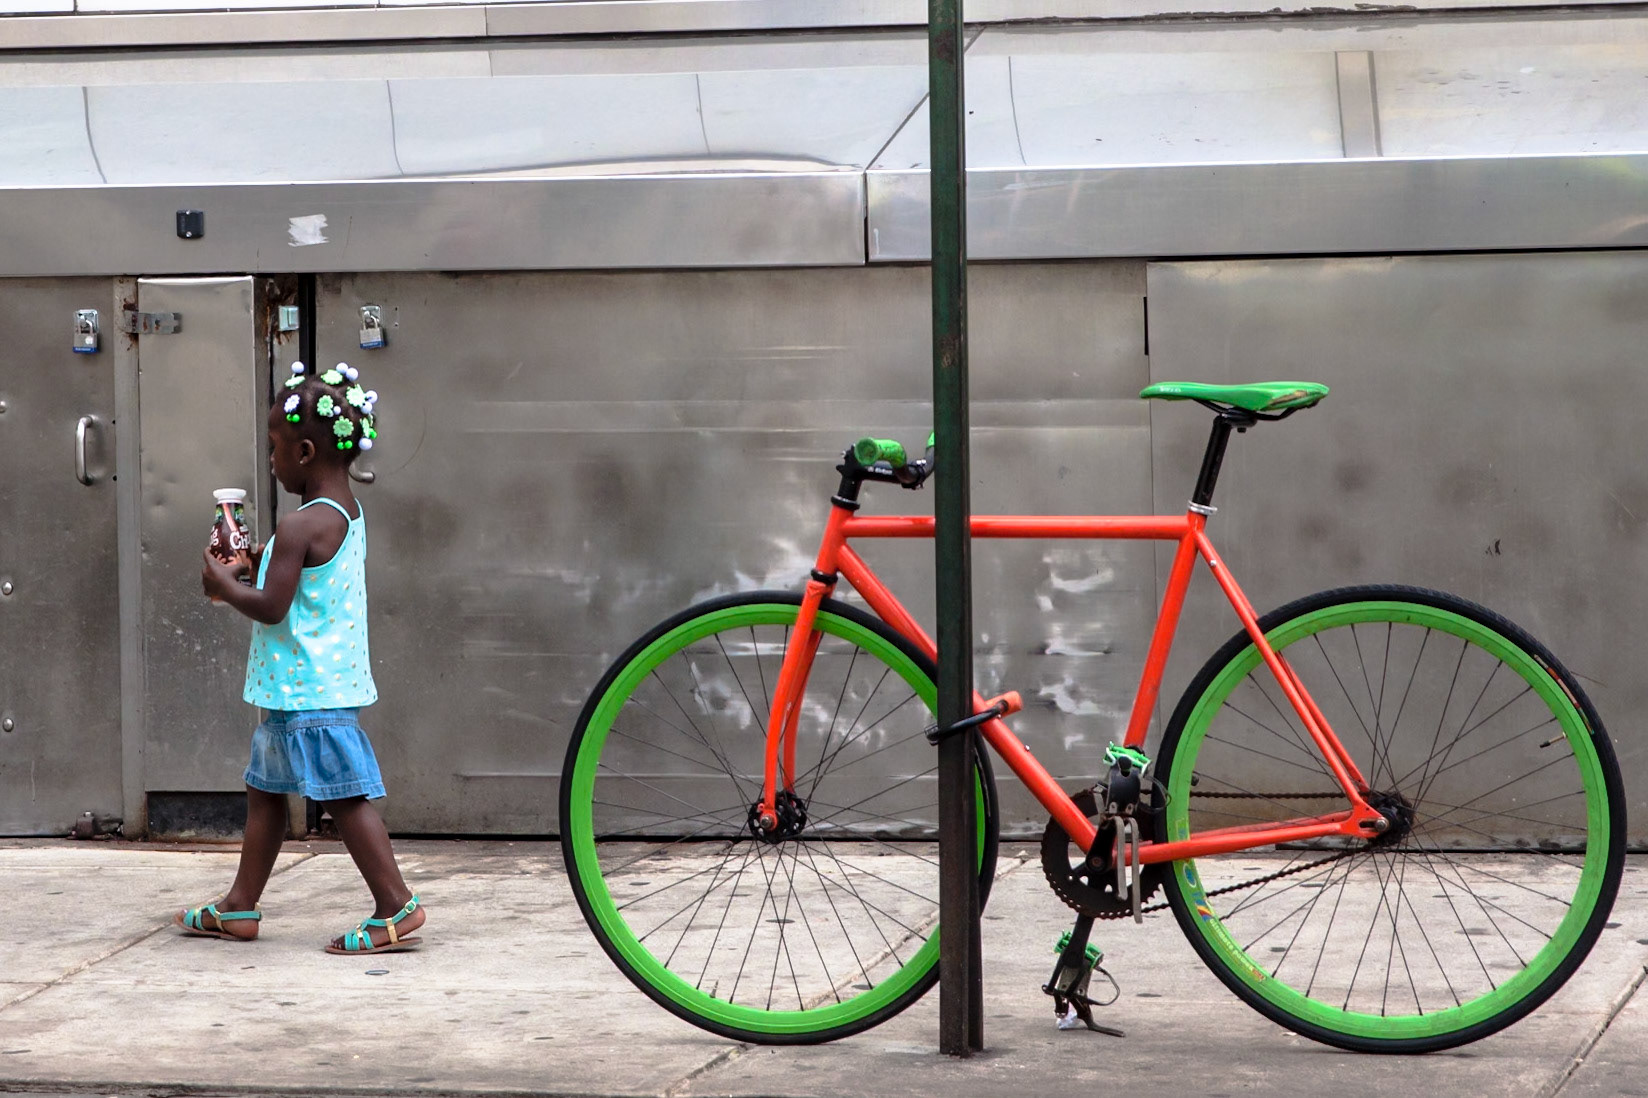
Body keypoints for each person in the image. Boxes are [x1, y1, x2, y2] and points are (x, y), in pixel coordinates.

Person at [177, 362, 426, 954]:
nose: (271, 460)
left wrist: (224, 584)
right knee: (265, 794)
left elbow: (270, 606)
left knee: (343, 796)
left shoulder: (299, 525)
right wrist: (259, 559)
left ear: (306, 451)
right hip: (298, 690)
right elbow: (305, 578)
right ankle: (240, 906)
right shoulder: (344, 516)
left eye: (275, 448)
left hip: (309, 690)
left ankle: (396, 904)